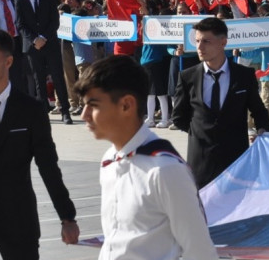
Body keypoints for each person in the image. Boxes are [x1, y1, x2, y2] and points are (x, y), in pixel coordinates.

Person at [74, 55, 217, 259]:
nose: (84, 115)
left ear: (126, 105)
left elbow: (200, 250)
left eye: (94, 105)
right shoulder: (109, 160)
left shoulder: (164, 169)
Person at [0, 28, 79, 259]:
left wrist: (67, 216)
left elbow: (48, 165)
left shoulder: (30, 110)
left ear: (9, 61)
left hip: (17, 219)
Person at [171, 17, 269, 188]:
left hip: (236, 161)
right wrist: (201, 131)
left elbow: (258, 109)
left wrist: (262, 129)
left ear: (223, 42)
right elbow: (179, 117)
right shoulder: (188, 77)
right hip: (200, 163)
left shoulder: (244, 75)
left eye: (206, 41)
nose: (200, 47)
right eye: (197, 41)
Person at [15, 0, 73, 123]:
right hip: (33, 47)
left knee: (58, 77)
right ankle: (42, 112)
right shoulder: (20, 1)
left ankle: (65, 111)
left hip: (50, 44)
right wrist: (34, 40)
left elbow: (55, 22)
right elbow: (20, 25)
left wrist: (43, 38)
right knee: (38, 79)